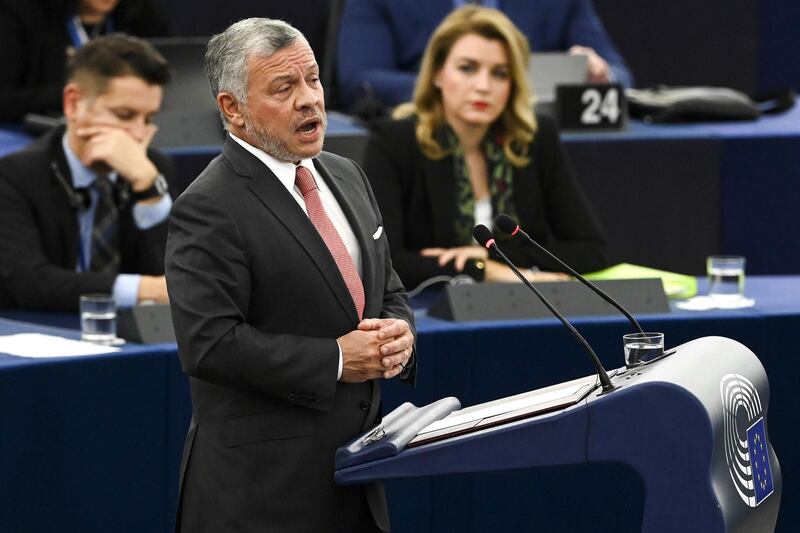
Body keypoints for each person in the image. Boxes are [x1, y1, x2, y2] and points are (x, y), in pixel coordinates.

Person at [164, 18, 416, 533]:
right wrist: (338, 359)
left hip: (359, 481)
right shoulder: (209, 206)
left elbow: (385, 289)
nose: (309, 100)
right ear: (232, 108)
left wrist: (399, 334)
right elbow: (209, 344)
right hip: (263, 497)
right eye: (284, 87)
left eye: (314, 80)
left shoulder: (347, 173)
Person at [362, 6, 608, 290]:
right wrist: (483, 270)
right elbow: (384, 262)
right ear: (438, 74)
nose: (483, 86)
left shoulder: (533, 138)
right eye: (467, 68)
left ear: (514, 84)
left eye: (500, 74)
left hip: (524, 311)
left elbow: (590, 251)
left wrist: (488, 257)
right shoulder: (395, 142)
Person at [0, 34, 174, 311]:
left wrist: (148, 188)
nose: (140, 135)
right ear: (73, 104)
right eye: (124, 115)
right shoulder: (14, 175)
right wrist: (147, 289)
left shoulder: (152, 168)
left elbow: (177, 274)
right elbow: (30, 281)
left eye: (149, 119)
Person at [337, 0, 633, 109]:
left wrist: (601, 74)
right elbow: (358, 80)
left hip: (535, 139)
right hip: (425, 139)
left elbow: (621, 77)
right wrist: (456, 91)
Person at [0, 0, 170, 121]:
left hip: (124, 129)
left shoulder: (143, 13)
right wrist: (91, 92)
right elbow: (5, 99)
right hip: (35, 130)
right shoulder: (18, 12)